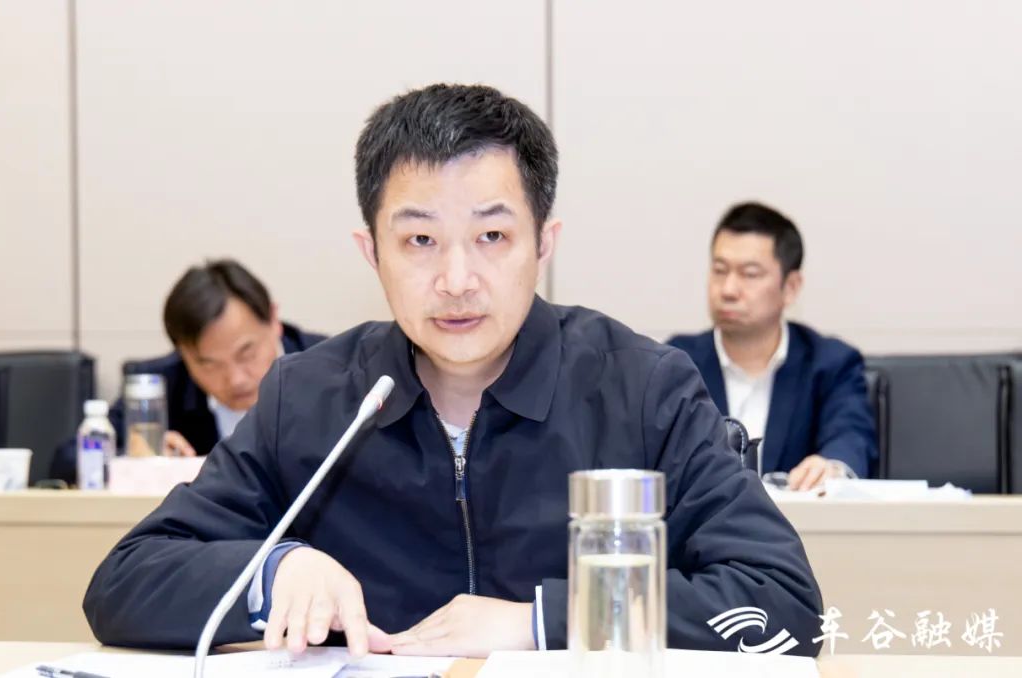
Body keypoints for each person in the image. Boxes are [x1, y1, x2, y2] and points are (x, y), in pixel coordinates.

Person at [84, 84, 823, 658]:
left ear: (544, 243)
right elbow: (126, 580)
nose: (457, 280)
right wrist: (274, 571)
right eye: (420, 241)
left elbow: (784, 605)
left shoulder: (642, 388)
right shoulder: (310, 397)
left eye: (493, 235)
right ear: (372, 252)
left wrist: (541, 622)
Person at [51, 260, 326, 482]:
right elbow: (65, 461)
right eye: (209, 364)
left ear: (274, 319)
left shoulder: (330, 367)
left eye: (246, 354)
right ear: (183, 354)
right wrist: (138, 459)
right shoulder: (162, 385)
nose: (235, 379)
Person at [669, 202, 877, 490]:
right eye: (719, 270)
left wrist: (831, 468)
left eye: (749, 274)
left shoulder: (831, 363)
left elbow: (851, 437)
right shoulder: (676, 363)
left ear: (790, 287)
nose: (728, 289)